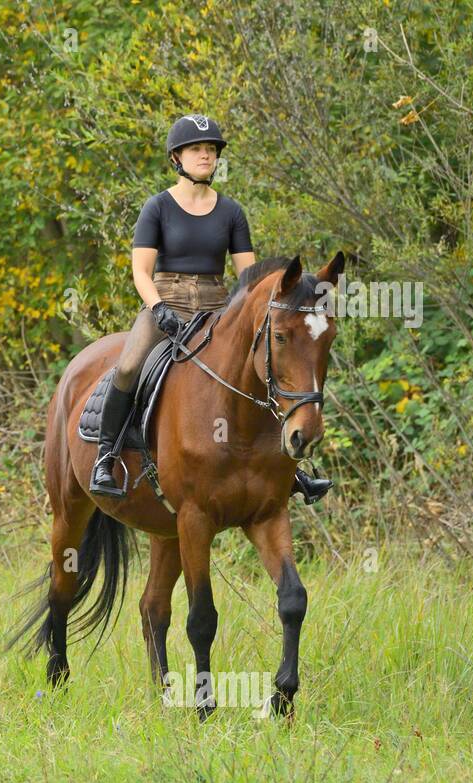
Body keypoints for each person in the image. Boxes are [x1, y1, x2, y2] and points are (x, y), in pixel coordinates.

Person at [88, 113, 332, 505]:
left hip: (217, 308)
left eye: (211, 150)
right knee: (131, 364)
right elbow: (140, 271)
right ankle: (106, 455)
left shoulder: (231, 212)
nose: (205, 156)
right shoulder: (158, 207)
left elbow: (249, 278)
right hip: (166, 304)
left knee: (260, 368)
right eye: (196, 149)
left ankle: (292, 470)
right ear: (177, 158)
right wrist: (158, 308)